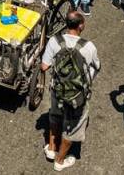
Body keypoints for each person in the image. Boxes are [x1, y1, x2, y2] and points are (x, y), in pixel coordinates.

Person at [41, 11, 100, 171]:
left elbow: (44, 66)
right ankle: (60, 161)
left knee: (55, 116)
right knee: (73, 127)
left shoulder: (55, 41)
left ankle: (52, 149)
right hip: (77, 94)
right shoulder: (89, 46)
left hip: (57, 90)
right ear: (81, 26)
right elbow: (97, 66)